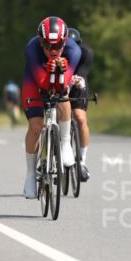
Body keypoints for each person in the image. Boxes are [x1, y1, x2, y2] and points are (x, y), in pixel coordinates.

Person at [22, 16, 81, 198]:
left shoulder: (73, 51)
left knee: (63, 97)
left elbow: (62, 88)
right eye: (48, 46)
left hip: (59, 80)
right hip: (34, 80)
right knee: (36, 126)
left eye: (57, 46)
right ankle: (31, 175)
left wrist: (62, 73)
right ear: (41, 42)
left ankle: (64, 142)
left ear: (65, 41)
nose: (53, 50)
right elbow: (41, 82)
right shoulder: (32, 49)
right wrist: (49, 70)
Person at [67, 27, 93, 182]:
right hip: (59, 84)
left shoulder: (86, 53)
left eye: (74, 46)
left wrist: (76, 80)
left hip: (77, 84)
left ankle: (82, 161)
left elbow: (82, 73)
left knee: (80, 118)